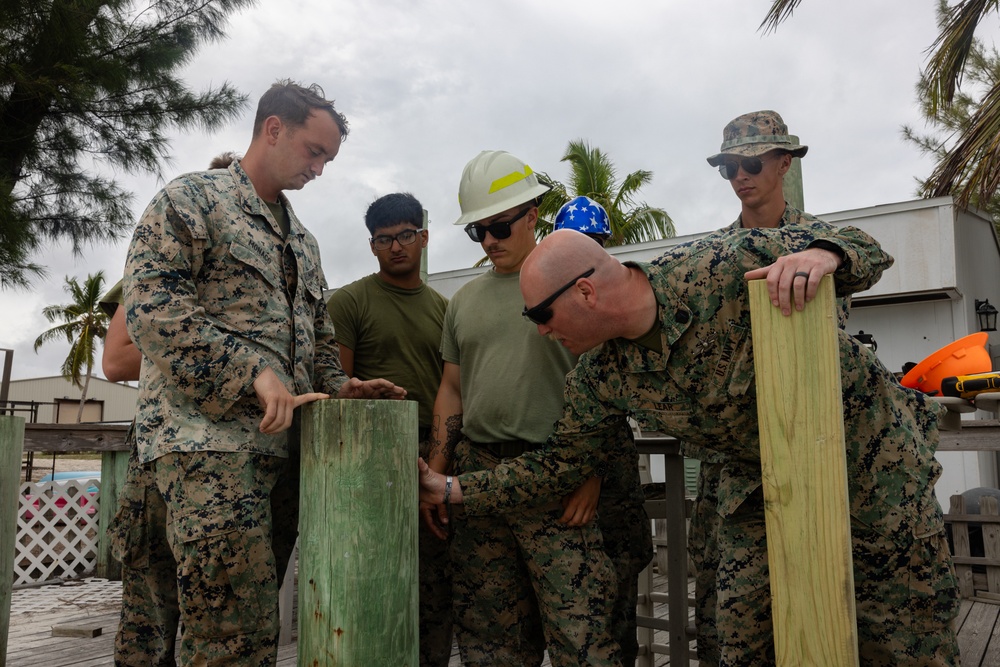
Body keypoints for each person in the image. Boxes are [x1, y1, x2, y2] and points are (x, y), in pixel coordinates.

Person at [421, 227, 962, 666]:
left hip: (870, 467)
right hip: (761, 485)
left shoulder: (719, 267)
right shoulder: (599, 375)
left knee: (902, 637)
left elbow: (867, 247)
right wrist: (450, 487)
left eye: (541, 316)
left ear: (585, 292)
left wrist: (823, 256)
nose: (540, 332)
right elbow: (560, 464)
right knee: (743, 642)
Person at [121, 80, 405, 665]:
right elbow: (153, 310)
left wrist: (337, 384)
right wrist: (249, 371)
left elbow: (318, 338)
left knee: (251, 630)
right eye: (314, 151)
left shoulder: (303, 240)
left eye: (328, 158)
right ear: (273, 128)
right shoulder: (190, 201)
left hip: (281, 458)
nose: (321, 169)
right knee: (228, 634)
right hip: (206, 451)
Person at [423, 149, 621, 666]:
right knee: (491, 644)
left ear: (532, 214)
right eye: (477, 232)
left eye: (500, 227)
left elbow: (608, 386)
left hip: (556, 481)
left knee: (584, 640)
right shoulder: (463, 302)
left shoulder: (579, 286)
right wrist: (437, 475)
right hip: (477, 483)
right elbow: (452, 390)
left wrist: (591, 471)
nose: (489, 241)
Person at [690, 109, 856, 665]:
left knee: (823, 608)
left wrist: (824, 255)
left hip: (812, 454)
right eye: (728, 167)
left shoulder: (825, 244)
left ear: (784, 163)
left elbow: (868, 253)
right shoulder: (709, 258)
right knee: (730, 621)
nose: (740, 175)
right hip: (735, 462)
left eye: (752, 163)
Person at [105, 151, 237, 665]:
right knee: (150, 614)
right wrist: (200, 346)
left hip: (231, 460)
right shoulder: (164, 253)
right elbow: (116, 360)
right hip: (162, 451)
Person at [326, 192, 452, 666]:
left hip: (434, 452)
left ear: (423, 237)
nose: (396, 246)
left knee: (434, 585)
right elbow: (338, 388)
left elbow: (452, 390)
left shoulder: (445, 309)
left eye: (404, 235)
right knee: (372, 578)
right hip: (370, 457)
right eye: (384, 239)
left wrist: (438, 464)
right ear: (372, 246)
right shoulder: (350, 302)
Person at [552, 195, 654, 665]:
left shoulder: (615, 307)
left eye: (594, 244)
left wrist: (592, 475)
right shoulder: (551, 302)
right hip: (568, 463)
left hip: (607, 477)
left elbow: (612, 410)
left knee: (618, 606)